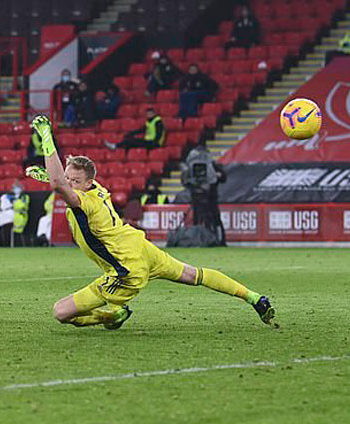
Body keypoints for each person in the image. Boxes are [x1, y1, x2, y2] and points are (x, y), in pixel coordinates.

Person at [30, 114, 275, 329]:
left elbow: (58, 185)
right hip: (141, 248)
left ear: (86, 184)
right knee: (193, 275)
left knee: (61, 313)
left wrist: (46, 135)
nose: (69, 182)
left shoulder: (87, 202)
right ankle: (255, 298)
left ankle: (113, 315)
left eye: (74, 180)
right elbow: (60, 181)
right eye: (68, 178)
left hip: (126, 270)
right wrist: (54, 177)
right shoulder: (97, 188)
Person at [181, 145, 227, 245]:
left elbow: (223, 177)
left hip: (210, 197)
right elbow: (185, 180)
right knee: (198, 219)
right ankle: (199, 240)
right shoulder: (190, 168)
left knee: (215, 219)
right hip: (197, 197)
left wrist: (218, 175)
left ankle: (220, 240)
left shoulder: (212, 166)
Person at [0, 181, 30, 246]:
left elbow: (21, 206)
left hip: (15, 214)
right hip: (3, 213)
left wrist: (13, 200)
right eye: (14, 187)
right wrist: (4, 200)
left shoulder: (24, 197)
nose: (16, 188)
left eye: (18, 187)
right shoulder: (6, 195)